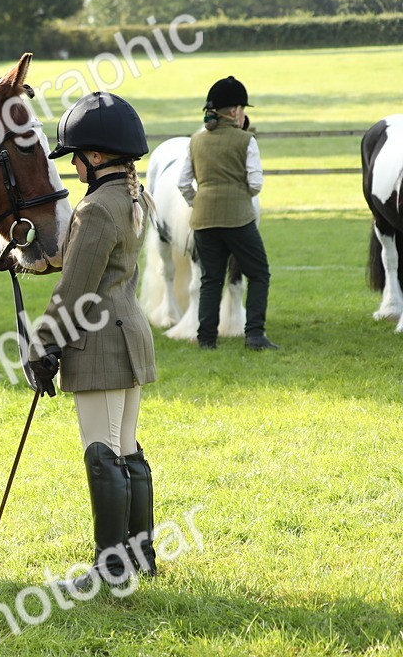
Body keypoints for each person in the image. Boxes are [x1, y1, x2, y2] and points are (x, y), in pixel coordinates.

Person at [30, 91, 158, 591]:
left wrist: (44, 345)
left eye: (77, 156)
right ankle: (139, 553)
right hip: (131, 331)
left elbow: (74, 290)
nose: (74, 165)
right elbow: (77, 261)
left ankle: (111, 568)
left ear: (98, 156)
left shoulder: (97, 209)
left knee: (101, 451)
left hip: (100, 340)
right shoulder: (132, 196)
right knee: (126, 447)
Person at [177, 76, 278, 351]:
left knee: (211, 278)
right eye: (243, 108)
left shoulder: (195, 141)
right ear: (234, 111)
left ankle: (207, 339)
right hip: (238, 220)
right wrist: (238, 195)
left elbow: (182, 182)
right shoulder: (247, 140)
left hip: (203, 219)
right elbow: (256, 183)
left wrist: (198, 201)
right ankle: (255, 334)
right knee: (258, 273)